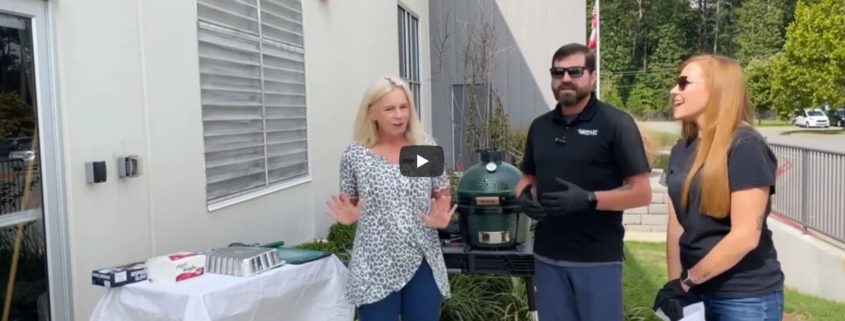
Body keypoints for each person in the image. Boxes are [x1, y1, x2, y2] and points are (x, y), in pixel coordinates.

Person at [514, 43, 653, 321]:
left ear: (591, 76)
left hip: (597, 259)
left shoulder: (616, 124)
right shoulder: (540, 127)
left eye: (575, 71)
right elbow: (528, 177)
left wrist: (590, 199)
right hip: (548, 257)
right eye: (558, 72)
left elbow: (642, 193)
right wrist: (523, 197)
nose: (565, 78)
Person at [652, 54, 785, 321]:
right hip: (695, 292)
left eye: (683, 83)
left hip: (744, 298)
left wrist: (688, 281)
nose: (673, 90)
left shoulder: (744, 146)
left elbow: (745, 236)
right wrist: (675, 287)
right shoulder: (681, 149)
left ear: (716, 89)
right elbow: (676, 225)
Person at [326, 76, 455, 321]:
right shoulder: (357, 155)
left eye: (403, 107)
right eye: (389, 109)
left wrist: (441, 213)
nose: (399, 115)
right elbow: (350, 205)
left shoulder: (419, 149)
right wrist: (349, 217)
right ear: (372, 112)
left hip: (421, 258)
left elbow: (440, 191)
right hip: (374, 263)